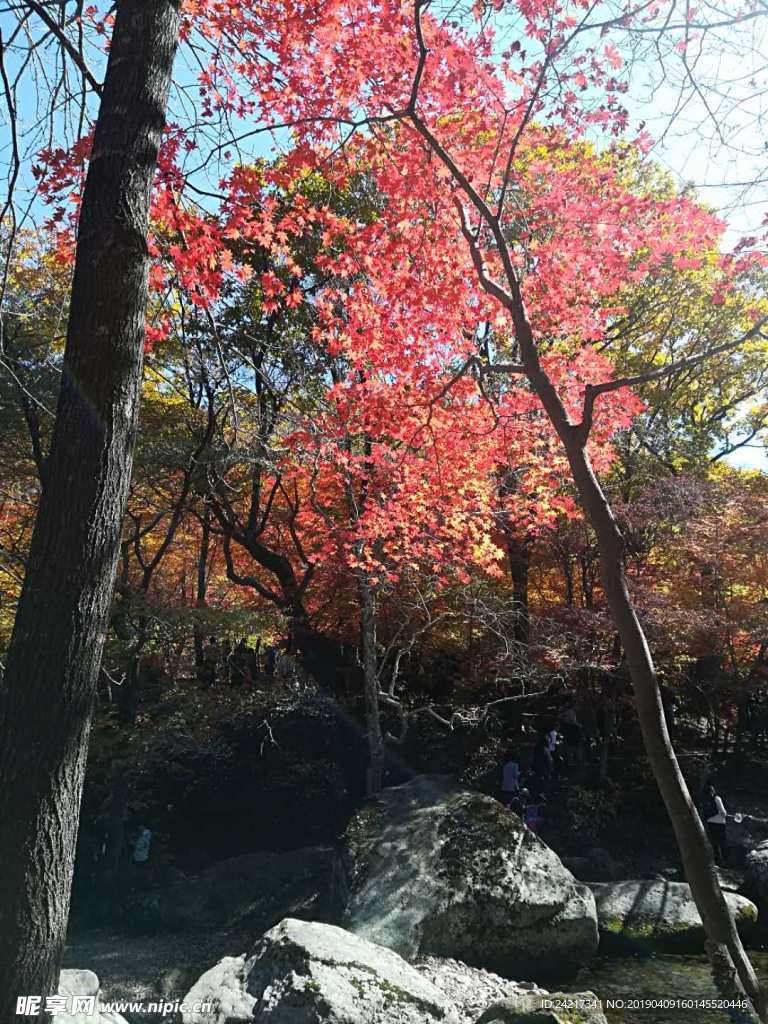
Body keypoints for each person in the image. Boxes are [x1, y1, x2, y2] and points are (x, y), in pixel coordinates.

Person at [703, 784, 728, 865]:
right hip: (720, 823)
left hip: (710, 822)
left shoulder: (705, 799)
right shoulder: (717, 798)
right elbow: (723, 812)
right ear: (713, 791)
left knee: (714, 843)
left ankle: (716, 860)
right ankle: (724, 861)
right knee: (722, 842)